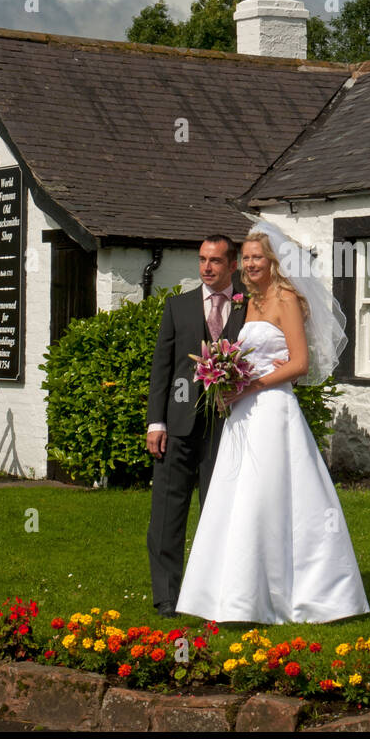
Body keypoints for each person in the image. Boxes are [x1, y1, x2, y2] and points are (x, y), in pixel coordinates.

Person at [175, 219, 370, 624]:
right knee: (236, 497)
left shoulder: (284, 298)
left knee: (270, 497)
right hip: (243, 413)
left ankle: (292, 595)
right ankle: (233, 595)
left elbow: (299, 363)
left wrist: (251, 385)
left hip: (273, 411)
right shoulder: (251, 301)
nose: (249, 264)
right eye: (244, 259)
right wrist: (229, 379)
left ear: (274, 260)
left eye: (256, 257)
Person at [145, 235, 248, 618]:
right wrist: (156, 422)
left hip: (229, 426)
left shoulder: (248, 307)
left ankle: (212, 593)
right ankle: (167, 597)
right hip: (178, 424)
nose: (207, 267)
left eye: (216, 261)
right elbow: (163, 369)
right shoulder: (178, 306)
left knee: (218, 511)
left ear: (231, 265)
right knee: (167, 513)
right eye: (203, 260)